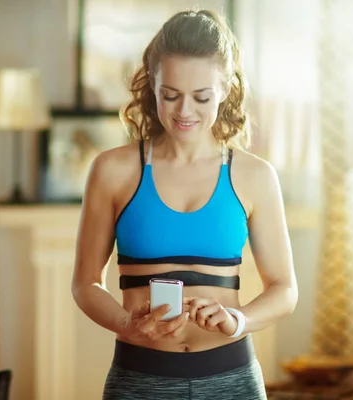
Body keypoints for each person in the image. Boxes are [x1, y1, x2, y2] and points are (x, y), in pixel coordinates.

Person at [72, 9, 298, 400]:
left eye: (202, 97)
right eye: (170, 95)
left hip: (233, 380)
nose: (184, 111)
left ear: (226, 89)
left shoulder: (255, 176)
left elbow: (284, 289)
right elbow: (85, 283)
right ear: (152, 85)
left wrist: (239, 320)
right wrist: (128, 325)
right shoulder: (111, 170)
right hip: (139, 379)